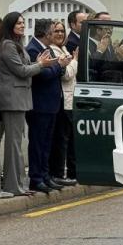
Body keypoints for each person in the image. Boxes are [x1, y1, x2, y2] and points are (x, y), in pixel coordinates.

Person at [0, 12, 57, 196]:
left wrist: (39, 63)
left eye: (23, 23)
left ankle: (18, 184)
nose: (22, 26)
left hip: (21, 97)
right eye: (18, 23)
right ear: (10, 26)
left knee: (16, 143)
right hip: (12, 98)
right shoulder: (7, 45)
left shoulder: (17, 44)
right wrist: (41, 64)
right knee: (14, 145)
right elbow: (21, 71)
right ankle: (13, 186)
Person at [26, 19, 71, 193]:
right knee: (38, 143)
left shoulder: (47, 49)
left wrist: (58, 67)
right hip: (39, 105)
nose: (56, 34)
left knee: (47, 143)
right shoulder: (32, 49)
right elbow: (42, 74)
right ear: (46, 33)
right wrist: (59, 66)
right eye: (54, 31)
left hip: (51, 104)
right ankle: (36, 178)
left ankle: (45, 175)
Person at [48, 20, 78, 186]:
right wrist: (75, 60)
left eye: (61, 31)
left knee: (68, 139)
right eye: (56, 31)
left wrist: (72, 62)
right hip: (62, 101)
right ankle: (58, 172)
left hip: (70, 100)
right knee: (61, 140)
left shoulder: (63, 49)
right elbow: (66, 74)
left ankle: (70, 171)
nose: (59, 34)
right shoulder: (52, 51)